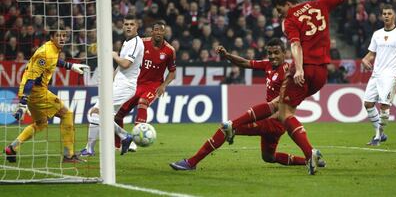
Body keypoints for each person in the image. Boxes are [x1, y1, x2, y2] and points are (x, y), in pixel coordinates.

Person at [259, 0, 389, 175]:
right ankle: (301, 149)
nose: (279, 13)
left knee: (284, 113)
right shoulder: (320, 4)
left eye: (279, 8)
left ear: (288, 4)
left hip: (305, 68)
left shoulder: (290, 19)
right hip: (321, 74)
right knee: (284, 108)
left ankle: (310, 153)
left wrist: (298, 68)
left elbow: (296, 44)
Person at [170, 38, 325, 170]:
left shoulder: (289, 72)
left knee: (226, 129)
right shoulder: (268, 65)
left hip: (274, 120)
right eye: (270, 53)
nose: (272, 56)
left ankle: (191, 162)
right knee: (268, 157)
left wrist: (272, 114)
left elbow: (280, 104)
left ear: (285, 53)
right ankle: (309, 159)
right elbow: (245, 63)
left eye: (276, 53)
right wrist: (227, 55)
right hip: (272, 121)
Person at [4, 30, 89, 163]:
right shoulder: (45, 53)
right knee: (67, 114)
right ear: (52, 37)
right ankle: (69, 155)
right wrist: (23, 102)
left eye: (64, 36)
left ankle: (13, 147)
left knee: (41, 123)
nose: (62, 38)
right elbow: (31, 79)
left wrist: (70, 66)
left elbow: (55, 61)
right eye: (58, 35)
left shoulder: (52, 49)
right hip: (36, 91)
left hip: (32, 91)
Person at [80, 14, 145, 156]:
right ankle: (121, 138)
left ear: (137, 27)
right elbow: (120, 68)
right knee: (97, 112)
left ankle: (92, 148)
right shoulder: (127, 42)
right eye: (126, 24)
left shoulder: (135, 43)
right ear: (123, 26)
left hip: (125, 86)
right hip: (118, 84)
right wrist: (110, 81)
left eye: (131, 24)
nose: (128, 27)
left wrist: (114, 55)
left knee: (96, 113)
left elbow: (126, 64)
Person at [114, 21, 176, 154]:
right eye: (156, 30)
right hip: (136, 83)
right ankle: (118, 144)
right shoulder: (141, 43)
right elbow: (126, 59)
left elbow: (172, 72)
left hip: (153, 86)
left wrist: (163, 85)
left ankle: (136, 142)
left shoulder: (170, 51)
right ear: (152, 32)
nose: (158, 32)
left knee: (143, 103)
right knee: (118, 114)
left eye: (161, 30)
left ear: (164, 33)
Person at [361, 5, 396, 146]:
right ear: (381, 15)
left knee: (384, 105)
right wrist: (365, 60)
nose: (386, 16)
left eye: (389, 13)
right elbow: (372, 53)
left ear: (394, 15)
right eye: (384, 13)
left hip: (391, 74)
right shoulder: (377, 34)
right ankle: (381, 133)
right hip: (376, 74)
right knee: (368, 103)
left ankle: (377, 137)